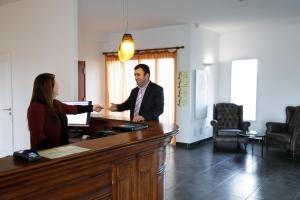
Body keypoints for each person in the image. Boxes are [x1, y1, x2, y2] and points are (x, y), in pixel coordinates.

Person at [27, 73, 103, 150]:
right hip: (46, 154)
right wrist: (54, 151)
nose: (58, 86)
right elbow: (37, 135)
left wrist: (92, 107)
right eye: (56, 84)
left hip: (59, 150)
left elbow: (73, 109)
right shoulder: (36, 107)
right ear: (49, 87)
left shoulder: (55, 103)